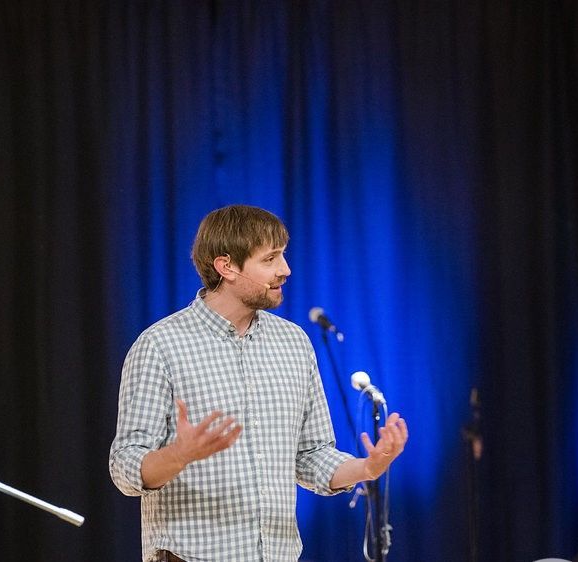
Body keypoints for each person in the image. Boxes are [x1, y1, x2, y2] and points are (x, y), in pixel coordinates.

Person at [109, 205, 408, 562]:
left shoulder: (293, 343)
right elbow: (125, 468)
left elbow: (311, 456)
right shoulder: (160, 346)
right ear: (227, 267)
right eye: (270, 259)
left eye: (282, 255)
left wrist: (366, 468)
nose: (285, 269)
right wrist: (180, 454)